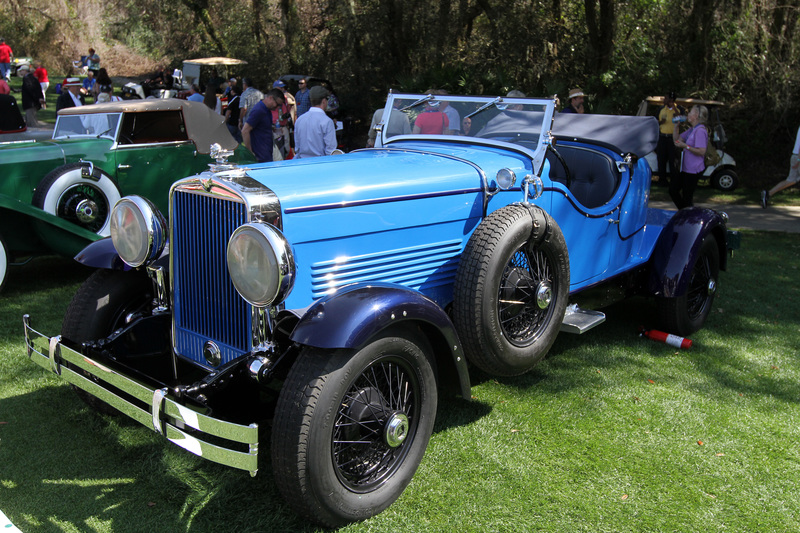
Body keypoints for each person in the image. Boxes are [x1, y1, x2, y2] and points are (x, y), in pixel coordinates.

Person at [670, 105, 709, 209]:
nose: (688, 115)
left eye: (690, 112)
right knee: (673, 190)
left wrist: (686, 146)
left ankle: (687, 216)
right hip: (686, 168)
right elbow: (677, 140)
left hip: (694, 169)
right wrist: (676, 127)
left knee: (687, 197)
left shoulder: (700, 131)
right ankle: (684, 213)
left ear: (696, 116)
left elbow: (702, 151)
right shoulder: (692, 129)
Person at [761, 125, 800, 208]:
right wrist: (799, 160)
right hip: (798, 157)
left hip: (795, 156)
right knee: (791, 180)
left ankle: (768, 193)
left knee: (791, 180)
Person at [242, 88, 285, 163]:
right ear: (270, 98)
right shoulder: (259, 110)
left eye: (280, 105)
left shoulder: (267, 110)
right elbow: (245, 131)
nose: (277, 107)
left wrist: (272, 128)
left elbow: (260, 127)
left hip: (266, 154)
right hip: (259, 157)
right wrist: (250, 152)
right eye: (277, 104)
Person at [294, 85, 337, 158]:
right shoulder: (327, 121)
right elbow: (331, 151)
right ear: (324, 101)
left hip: (302, 164)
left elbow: (297, 149)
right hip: (320, 164)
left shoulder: (299, 120)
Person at [655, 92, 685, 187]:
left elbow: (682, 120)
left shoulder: (679, 109)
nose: (664, 100)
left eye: (666, 98)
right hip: (663, 137)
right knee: (661, 159)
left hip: (673, 138)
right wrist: (661, 122)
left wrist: (675, 109)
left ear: (671, 100)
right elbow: (655, 122)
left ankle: (674, 180)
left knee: (673, 160)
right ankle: (662, 180)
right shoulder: (661, 109)